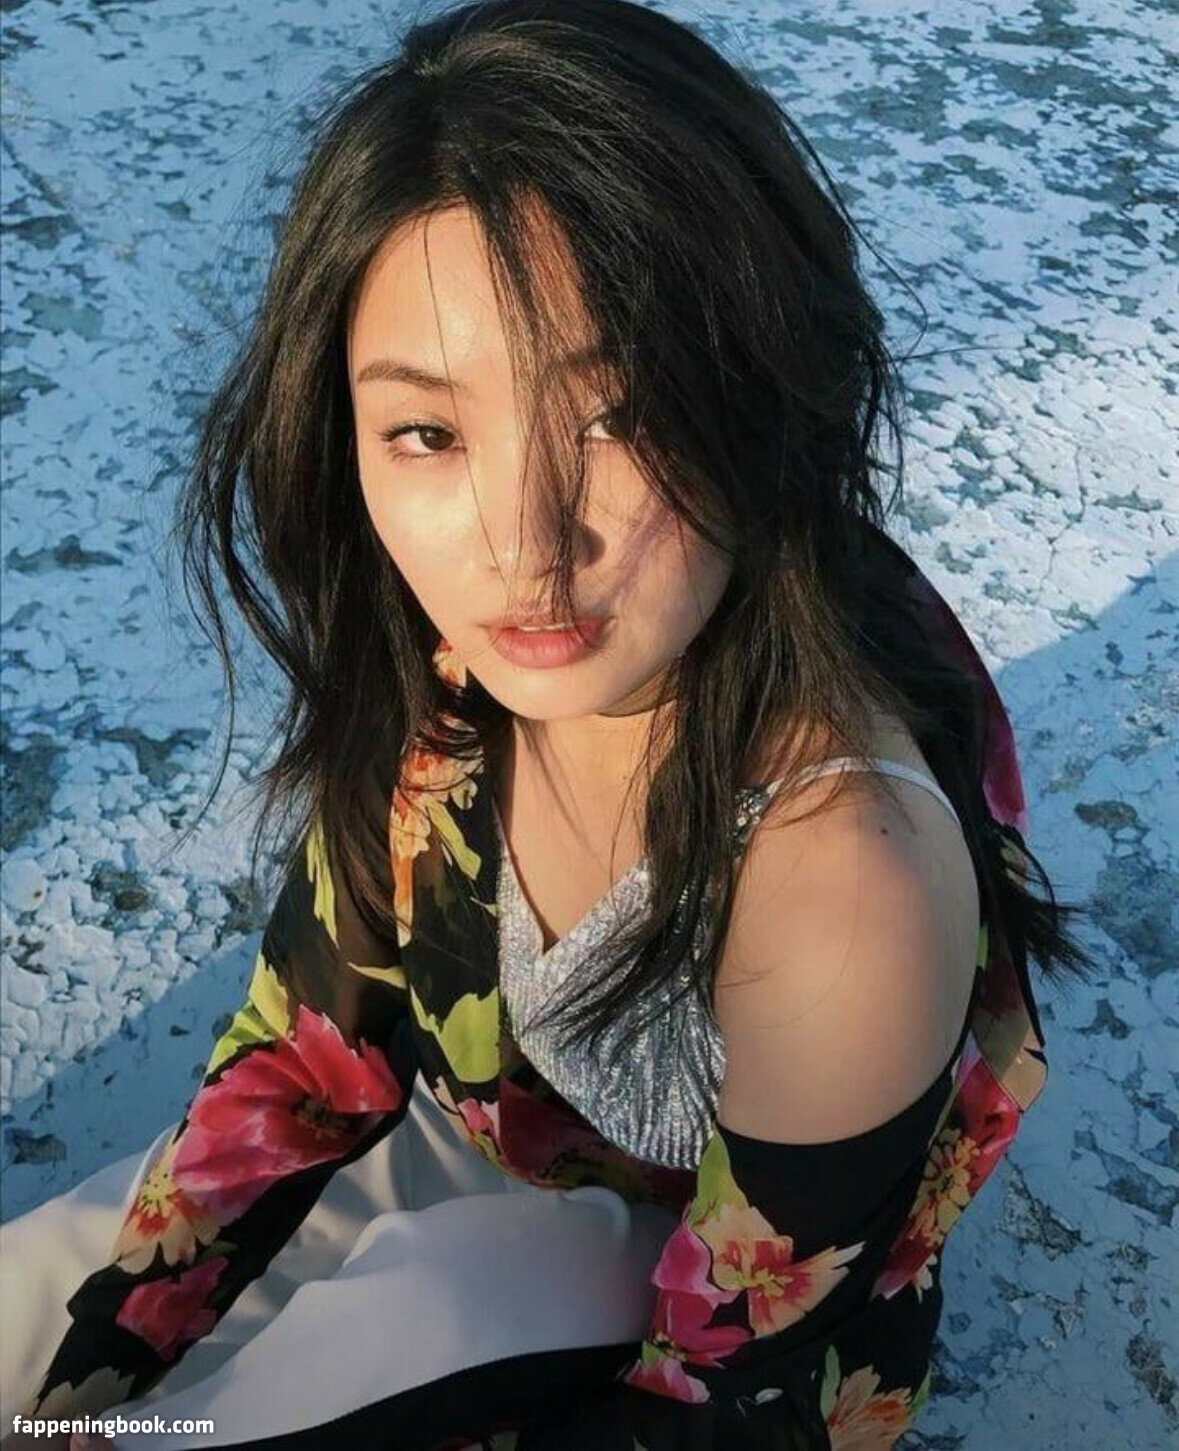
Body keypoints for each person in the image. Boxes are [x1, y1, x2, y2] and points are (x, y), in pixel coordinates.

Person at [0, 2, 1098, 1448]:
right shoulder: (447, 652)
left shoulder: (840, 882)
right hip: (458, 1149)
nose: (523, 547)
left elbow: (727, 1404)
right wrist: (93, 1371)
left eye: (618, 415)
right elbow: (306, 1059)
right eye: (429, 432)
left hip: (655, 1298)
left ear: (766, 389)